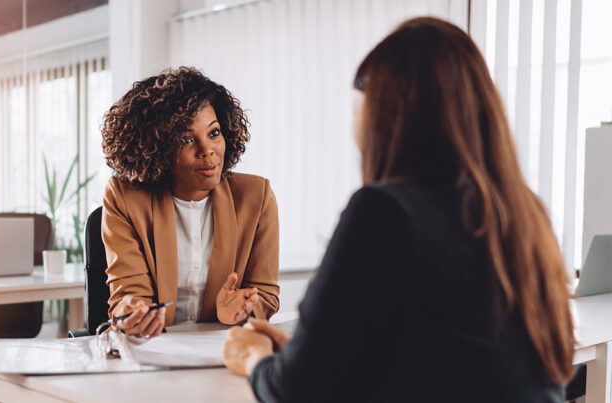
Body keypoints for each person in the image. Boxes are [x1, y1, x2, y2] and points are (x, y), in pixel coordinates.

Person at [224, 17, 575, 402]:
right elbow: (444, 360)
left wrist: (256, 359)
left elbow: (295, 391)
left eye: (362, 97)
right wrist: (299, 351)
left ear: (388, 111)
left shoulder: (385, 212)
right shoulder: (525, 213)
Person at [100, 67, 280, 338]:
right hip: (154, 352)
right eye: (186, 139)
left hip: (222, 353)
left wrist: (243, 309)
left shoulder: (256, 197)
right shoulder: (125, 198)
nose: (207, 149)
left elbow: (265, 294)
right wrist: (133, 312)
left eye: (214, 133)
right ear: (156, 148)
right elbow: (128, 293)